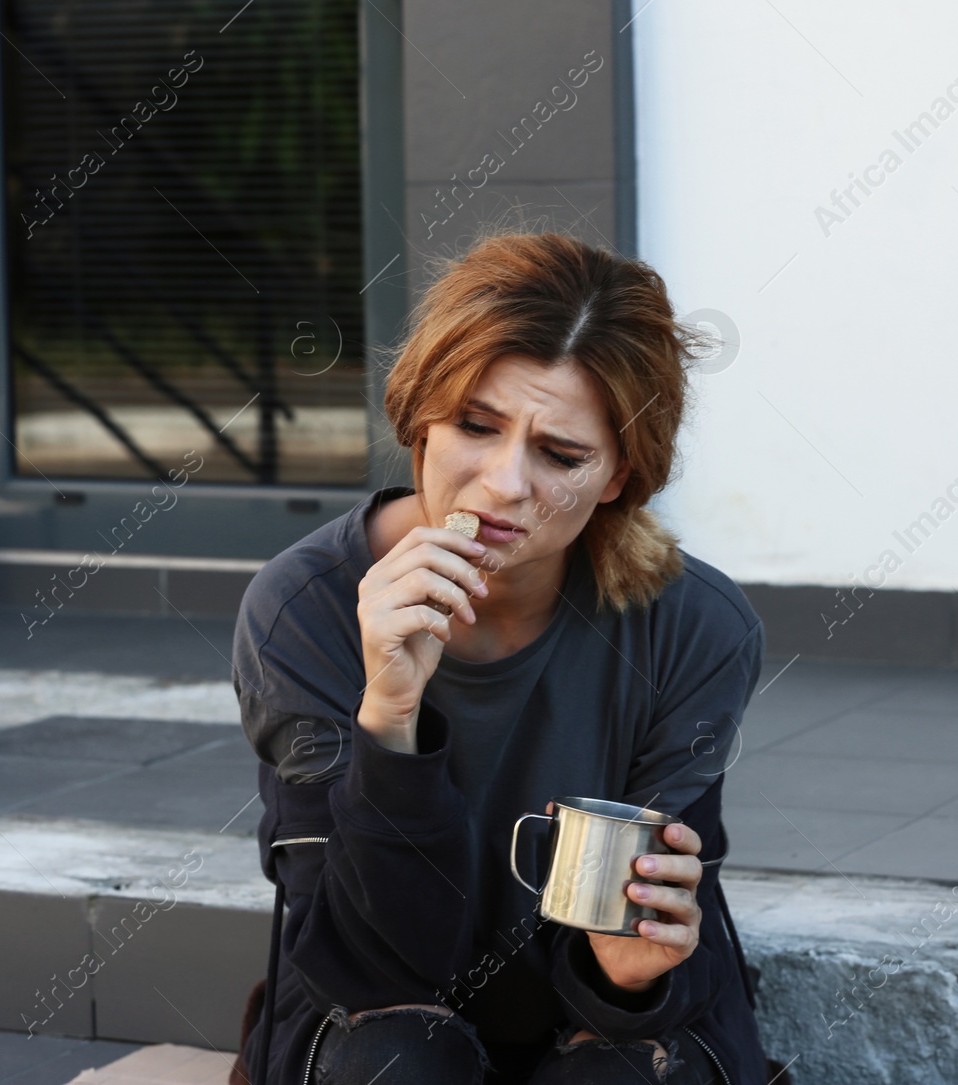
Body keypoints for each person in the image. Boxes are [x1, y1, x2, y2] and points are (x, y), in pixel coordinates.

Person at [231, 232, 768, 1084]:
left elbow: (653, 939)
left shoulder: (693, 624)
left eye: (561, 454)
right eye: (475, 426)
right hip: (374, 1016)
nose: (504, 483)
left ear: (621, 474)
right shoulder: (306, 608)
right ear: (419, 410)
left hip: (602, 1022)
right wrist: (391, 714)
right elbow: (373, 970)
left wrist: (628, 969)